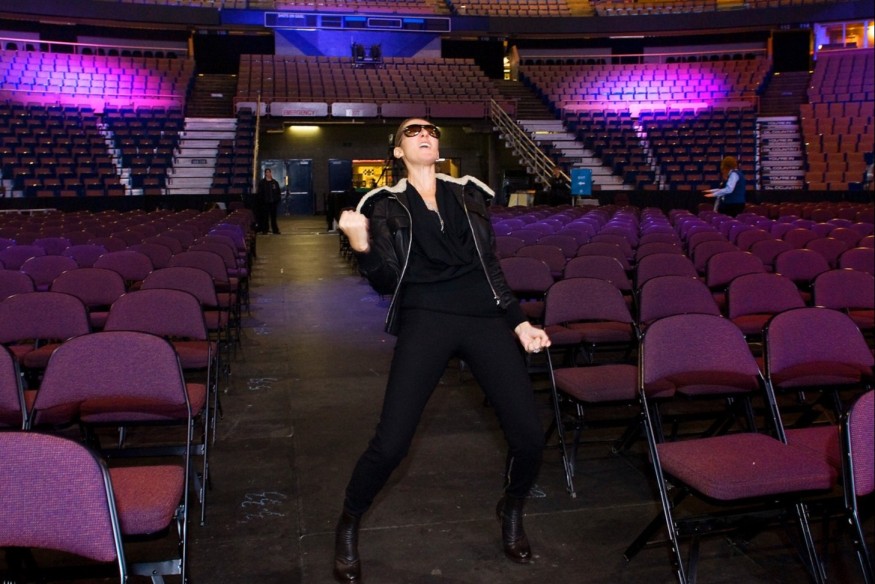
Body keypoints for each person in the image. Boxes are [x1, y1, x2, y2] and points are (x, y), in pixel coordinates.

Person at [334, 118, 551, 583]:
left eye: (431, 130)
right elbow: (386, 281)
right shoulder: (385, 205)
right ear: (398, 152)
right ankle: (350, 519)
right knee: (391, 444)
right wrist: (362, 246)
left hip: (484, 318)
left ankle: (512, 507)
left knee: (530, 437)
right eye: (412, 132)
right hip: (426, 319)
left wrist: (519, 322)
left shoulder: (469, 195)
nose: (425, 135)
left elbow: (489, 266)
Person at [256, 168, 283, 234]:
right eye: (267, 172)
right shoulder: (262, 183)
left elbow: (278, 192)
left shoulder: (275, 182)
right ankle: (265, 230)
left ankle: (275, 230)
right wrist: (261, 202)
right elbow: (259, 193)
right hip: (265, 203)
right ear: (265, 173)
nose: (268, 173)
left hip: (273, 203)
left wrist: (277, 200)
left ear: (271, 173)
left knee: (273, 218)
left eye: (269, 172)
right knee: (265, 218)